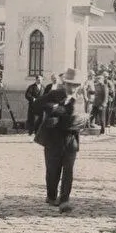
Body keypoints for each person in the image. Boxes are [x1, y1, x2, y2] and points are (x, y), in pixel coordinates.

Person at [33, 68, 89, 213]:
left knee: (68, 170)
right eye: (70, 84)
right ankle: (51, 196)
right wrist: (53, 108)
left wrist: (76, 118)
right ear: (64, 83)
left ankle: (65, 200)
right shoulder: (54, 94)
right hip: (53, 138)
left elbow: (83, 117)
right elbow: (37, 104)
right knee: (53, 170)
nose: (73, 88)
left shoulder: (81, 98)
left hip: (71, 139)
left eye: (76, 85)